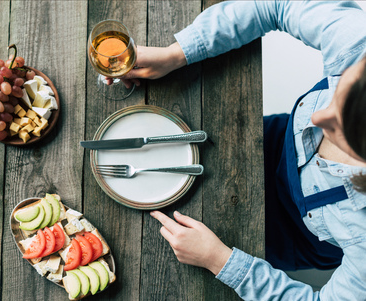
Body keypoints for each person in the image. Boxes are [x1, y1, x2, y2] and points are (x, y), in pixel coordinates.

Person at [122, 1, 366, 300]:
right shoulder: (357, 45)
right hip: (268, 143)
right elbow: (276, 6)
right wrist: (177, 54)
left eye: (338, 128)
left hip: (283, 235)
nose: (317, 118)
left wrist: (219, 260)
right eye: (336, 94)